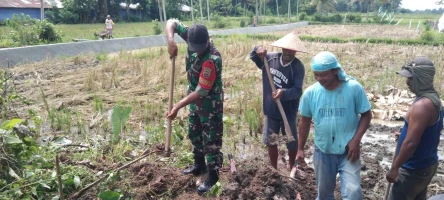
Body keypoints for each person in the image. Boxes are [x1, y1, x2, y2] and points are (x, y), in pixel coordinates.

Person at [296, 51, 372, 200]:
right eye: (316, 74)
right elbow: (304, 121)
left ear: (335, 71)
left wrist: (356, 140)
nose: (319, 78)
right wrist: (300, 148)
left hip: (348, 151)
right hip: (323, 151)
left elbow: (366, 115)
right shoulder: (311, 93)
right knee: (324, 195)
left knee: (353, 192)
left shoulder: (353, 88)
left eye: (323, 74)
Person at [165, 21, 223, 195]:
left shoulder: (213, 59)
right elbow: (172, 23)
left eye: (200, 48)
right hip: (195, 104)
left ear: (207, 41)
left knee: (211, 142)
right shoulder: (191, 33)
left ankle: (213, 177)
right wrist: (170, 41)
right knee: (194, 133)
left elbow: (202, 90)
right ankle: (199, 165)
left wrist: (177, 106)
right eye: (193, 47)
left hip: (209, 105)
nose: (197, 51)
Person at [386, 57, 443, 200]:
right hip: (426, 165)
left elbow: (411, 143)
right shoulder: (434, 100)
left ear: (421, 79)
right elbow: (429, 132)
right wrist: (404, 135)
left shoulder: (422, 106)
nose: (407, 82)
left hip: (413, 168)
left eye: (411, 78)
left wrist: (394, 168)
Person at [249, 32, 306, 170]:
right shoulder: (268, 59)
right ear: (282, 48)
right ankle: (274, 169)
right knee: (272, 142)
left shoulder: (298, 67)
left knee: (291, 142)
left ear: (296, 51)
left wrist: (283, 93)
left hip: (288, 112)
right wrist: (258, 48)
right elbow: (253, 56)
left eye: (291, 50)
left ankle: (291, 165)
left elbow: (298, 91)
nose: (288, 52)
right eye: (286, 49)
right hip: (271, 110)